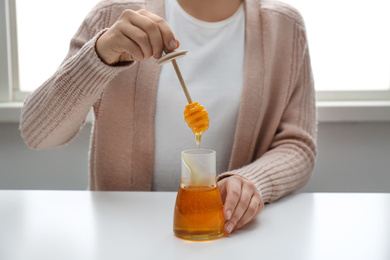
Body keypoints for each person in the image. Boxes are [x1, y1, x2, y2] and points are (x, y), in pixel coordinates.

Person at [20, 0, 317, 235]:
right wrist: (99, 56)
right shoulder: (113, 16)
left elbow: (297, 145)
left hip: (226, 237)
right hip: (118, 237)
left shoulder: (284, 26)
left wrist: (251, 181)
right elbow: (37, 133)